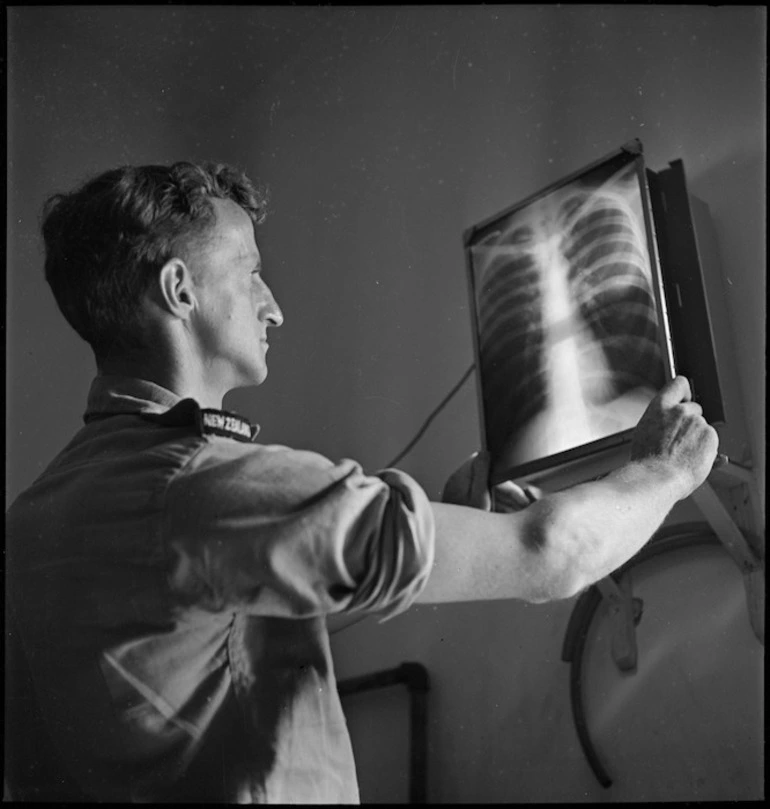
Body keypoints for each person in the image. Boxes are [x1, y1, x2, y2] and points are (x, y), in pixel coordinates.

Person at [5, 162, 719, 803]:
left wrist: (443, 526)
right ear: (179, 289)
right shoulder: (208, 487)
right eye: (250, 270)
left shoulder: (33, 517)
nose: (273, 305)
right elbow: (548, 552)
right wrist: (665, 470)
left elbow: (197, 643)